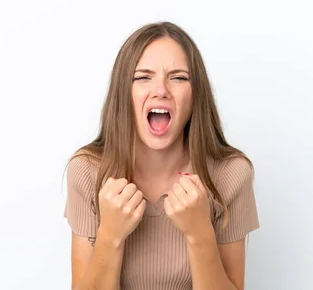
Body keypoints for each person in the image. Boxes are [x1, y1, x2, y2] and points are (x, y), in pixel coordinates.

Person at [63, 21, 260, 290]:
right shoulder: (86, 171)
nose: (161, 90)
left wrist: (199, 233)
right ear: (124, 93)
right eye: (143, 77)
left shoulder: (231, 174)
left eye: (178, 77)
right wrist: (109, 236)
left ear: (195, 95)